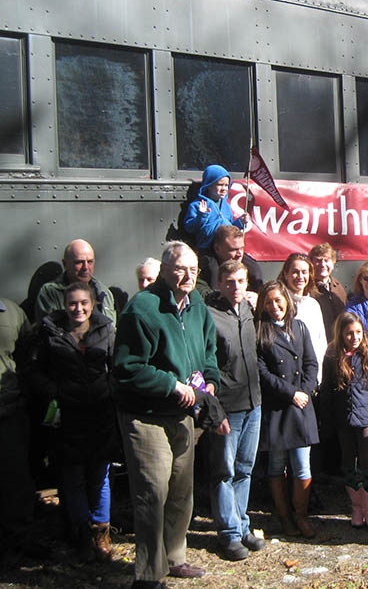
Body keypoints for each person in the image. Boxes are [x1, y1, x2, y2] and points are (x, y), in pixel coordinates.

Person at [112, 241, 226, 588]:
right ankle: (149, 574)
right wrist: (173, 385)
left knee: (180, 491)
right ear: (165, 270)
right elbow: (127, 368)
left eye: (193, 269)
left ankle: (175, 557)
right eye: (180, 268)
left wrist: (209, 384)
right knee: (152, 493)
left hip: (185, 414)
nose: (188, 274)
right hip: (146, 414)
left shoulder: (198, 308)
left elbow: (210, 357)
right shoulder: (143, 309)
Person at [23, 282, 117, 561]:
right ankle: (82, 533)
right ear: (64, 305)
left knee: (100, 477)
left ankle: (102, 531)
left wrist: (108, 389)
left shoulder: (105, 330)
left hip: (100, 415)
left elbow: (117, 366)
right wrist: (54, 391)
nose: (79, 309)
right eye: (73, 303)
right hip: (67, 417)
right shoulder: (50, 332)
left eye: (84, 303)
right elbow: (34, 370)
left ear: (93, 304)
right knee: (73, 477)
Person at [205, 261, 264, 560]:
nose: (236, 287)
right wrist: (215, 410)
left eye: (241, 281)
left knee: (244, 469)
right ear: (219, 283)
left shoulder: (249, 309)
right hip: (228, 407)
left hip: (254, 403)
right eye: (230, 281)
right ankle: (228, 534)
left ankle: (242, 526)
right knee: (224, 472)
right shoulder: (209, 314)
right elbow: (206, 365)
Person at [256, 280, 320, 539]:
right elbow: (262, 371)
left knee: (302, 465)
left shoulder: (300, 328)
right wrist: (290, 393)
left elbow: (311, 363)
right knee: (277, 464)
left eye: (278, 301)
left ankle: (301, 516)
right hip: (278, 406)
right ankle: (284, 518)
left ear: (287, 301)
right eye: (269, 302)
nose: (274, 307)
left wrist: (303, 391)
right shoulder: (260, 331)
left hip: (301, 405)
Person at [320, 312, 368, 534]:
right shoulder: (333, 356)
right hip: (343, 419)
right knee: (348, 463)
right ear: (341, 334)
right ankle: (356, 508)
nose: (354, 337)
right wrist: (326, 422)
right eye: (349, 333)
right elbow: (326, 390)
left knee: (367, 464)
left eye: (358, 333)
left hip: (366, 418)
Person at [0, 296, 37, 560]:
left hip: (7, 409)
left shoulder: (11, 312)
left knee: (15, 478)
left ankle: (19, 539)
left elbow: (28, 354)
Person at [35, 239, 116, 324]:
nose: (86, 267)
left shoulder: (104, 293)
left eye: (90, 262)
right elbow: (49, 330)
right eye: (79, 262)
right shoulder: (50, 293)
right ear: (65, 264)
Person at [277, 253, 328, 382]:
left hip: (313, 378)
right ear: (285, 274)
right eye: (295, 272)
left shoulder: (313, 305)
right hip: (288, 380)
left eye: (304, 272)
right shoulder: (278, 304)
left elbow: (321, 344)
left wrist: (321, 376)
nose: (300, 277)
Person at [182, 164, 248, 253]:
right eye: (220, 185)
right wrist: (201, 216)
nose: (224, 188)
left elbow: (229, 227)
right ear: (208, 185)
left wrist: (240, 222)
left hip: (227, 248)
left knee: (252, 266)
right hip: (208, 249)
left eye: (226, 185)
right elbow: (190, 228)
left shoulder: (226, 207)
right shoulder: (198, 205)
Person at [197, 226, 264, 303]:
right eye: (233, 249)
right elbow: (200, 292)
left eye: (242, 248)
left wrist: (258, 296)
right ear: (217, 248)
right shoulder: (204, 266)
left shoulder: (253, 269)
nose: (239, 254)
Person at [308, 242, 348, 337]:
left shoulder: (338, 287)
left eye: (326, 260)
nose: (322, 264)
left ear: (333, 263)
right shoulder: (307, 289)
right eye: (318, 260)